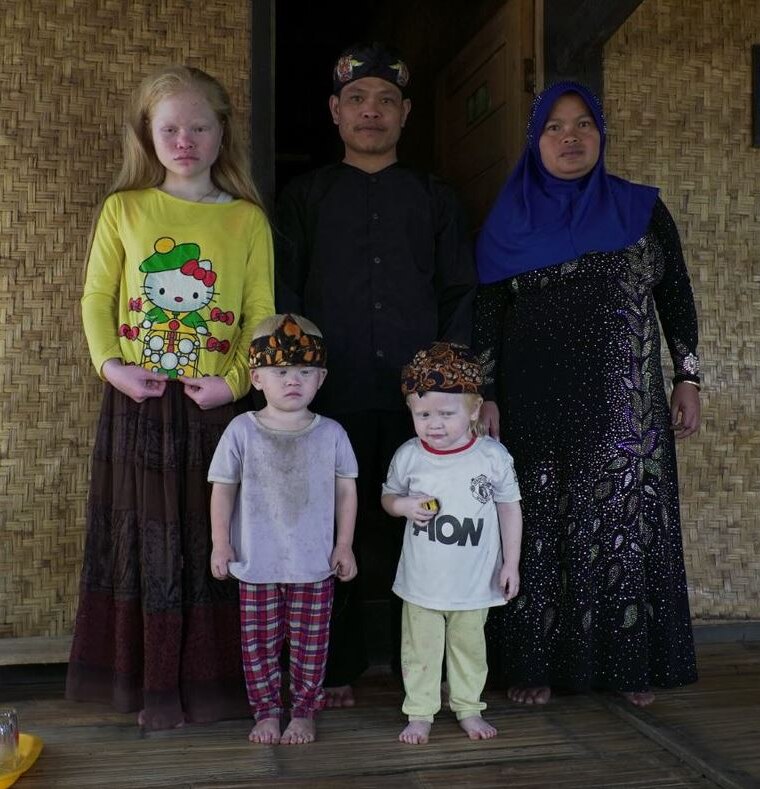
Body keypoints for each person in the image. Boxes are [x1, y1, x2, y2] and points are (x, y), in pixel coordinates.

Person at [473, 81, 701, 708]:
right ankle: (534, 665)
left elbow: (675, 297)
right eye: (554, 127)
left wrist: (689, 376)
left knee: (624, 526)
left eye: (582, 125)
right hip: (533, 401)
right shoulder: (510, 214)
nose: (569, 137)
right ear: (535, 139)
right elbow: (487, 311)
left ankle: (630, 665)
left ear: (601, 136)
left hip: (626, 404)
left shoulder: (640, 209)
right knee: (537, 526)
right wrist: (485, 391)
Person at [66, 65, 275, 730]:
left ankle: (209, 689)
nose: (184, 139)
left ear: (221, 135)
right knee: (144, 541)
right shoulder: (124, 209)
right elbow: (96, 296)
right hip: (137, 404)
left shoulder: (247, 221)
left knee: (210, 541)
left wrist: (235, 383)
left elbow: (262, 316)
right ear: (147, 136)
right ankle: (146, 688)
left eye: (199, 127)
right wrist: (111, 366)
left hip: (216, 410)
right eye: (169, 128)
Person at [275, 42, 478, 706]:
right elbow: (285, 297)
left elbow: (459, 292)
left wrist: (457, 387)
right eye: (357, 100)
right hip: (326, 398)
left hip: (421, 405)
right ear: (334, 112)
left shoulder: (434, 197)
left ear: (406, 112)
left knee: (422, 525)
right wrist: (291, 390)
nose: (371, 112)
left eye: (385, 101)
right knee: (328, 529)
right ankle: (335, 667)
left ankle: (414, 665)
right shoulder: (302, 197)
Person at [208, 314, 358, 745]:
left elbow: (346, 492)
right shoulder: (242, 431)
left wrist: (343, 544)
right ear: (256, 377)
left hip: (313, 563)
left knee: (311, 646)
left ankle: (305, 712)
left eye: (305, 372)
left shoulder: (331, 433)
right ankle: (266, 712)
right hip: (256, 562)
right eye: (280, 372)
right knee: (257, 646)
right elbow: (223, 489)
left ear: (321, 378)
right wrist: (221, 544)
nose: (293, 380)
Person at [382, 342, 522, 744]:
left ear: (475, 410)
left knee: (469, 649)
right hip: (421, 583)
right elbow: (388, 499)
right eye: (424, 414)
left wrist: (510, 564)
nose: (435, 424)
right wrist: (403, 505)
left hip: (474, 583)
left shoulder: (492, 458)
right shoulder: (409, 456)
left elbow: (510, 509)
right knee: (420, 652)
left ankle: (468, 706)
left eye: (447, 414)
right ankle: (420, 712)